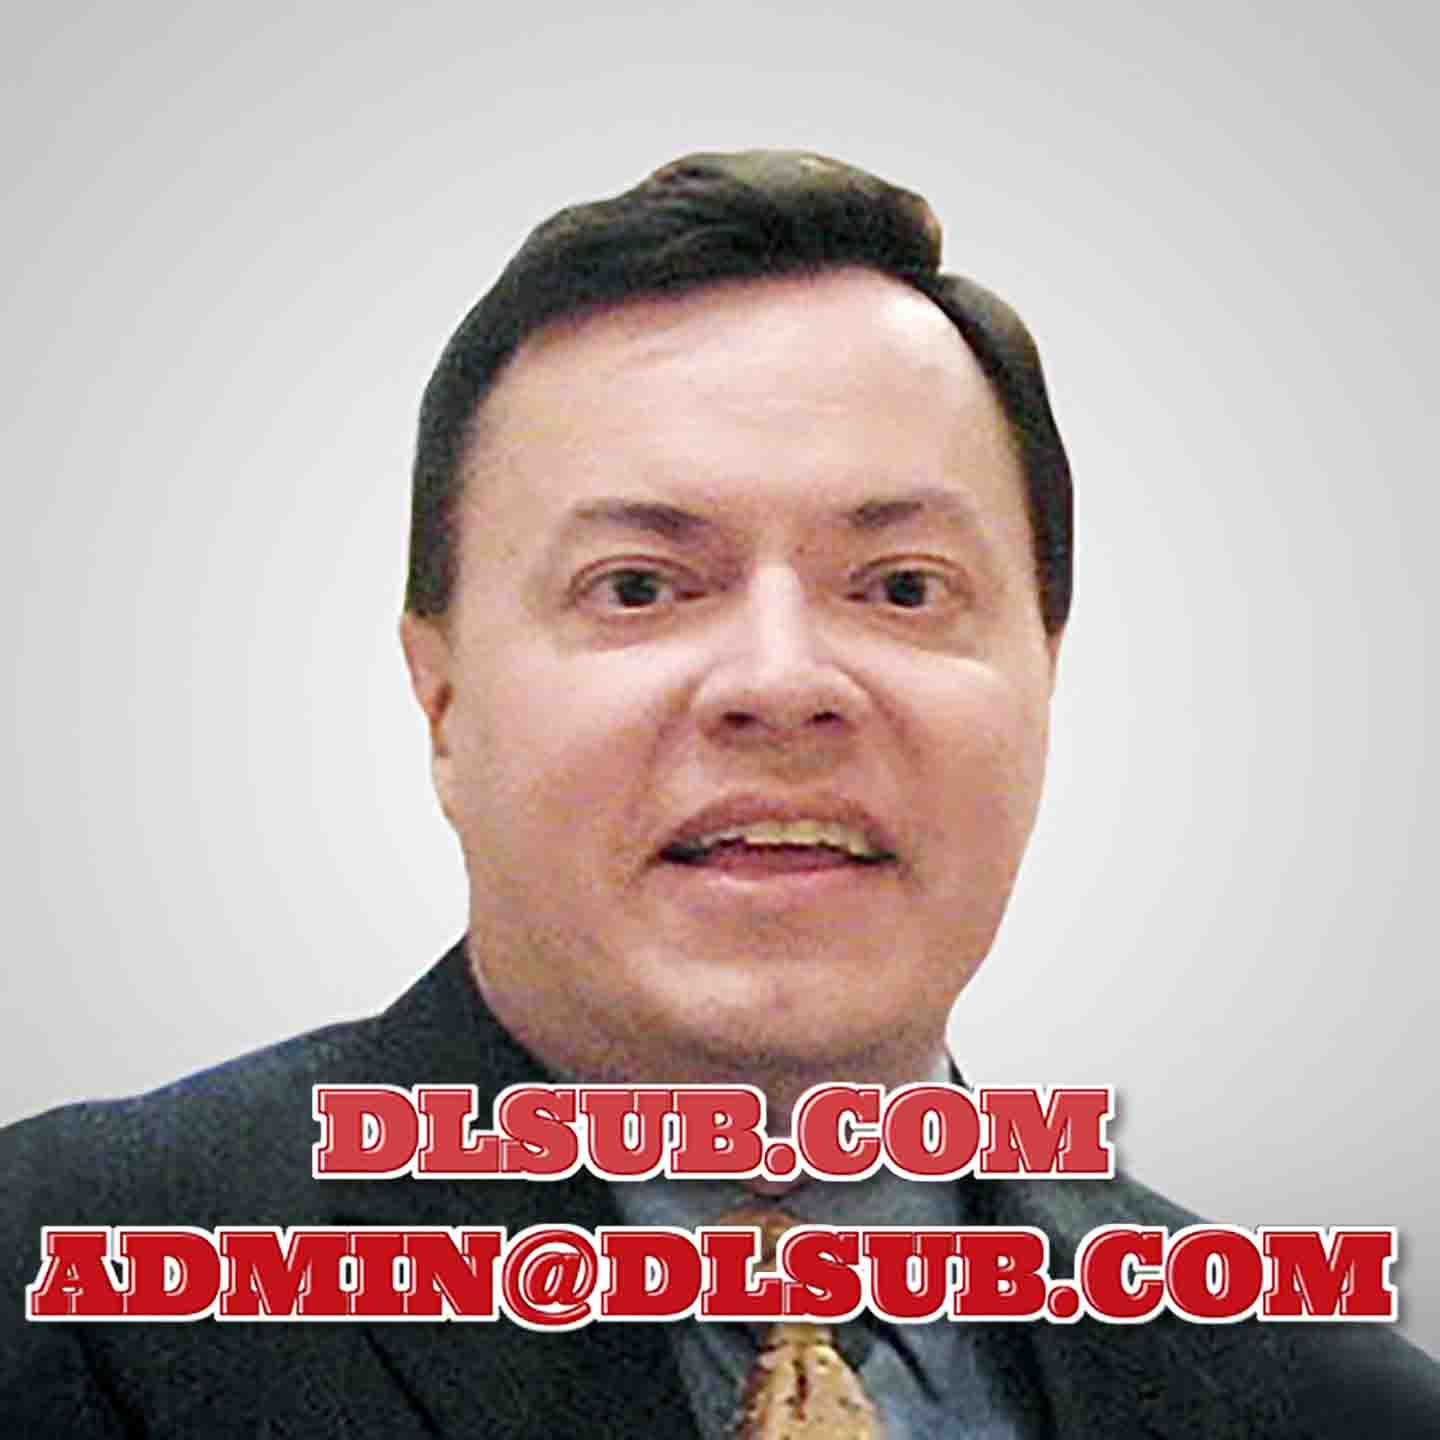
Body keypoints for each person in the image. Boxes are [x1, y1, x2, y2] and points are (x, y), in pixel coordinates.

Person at [1, 150, 1436, 1438]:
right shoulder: (68, 1296)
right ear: (443, 707)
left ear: (1045, 680)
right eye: (638, 586)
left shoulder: (1325, 1399)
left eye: (903, 587)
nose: (781, 682)